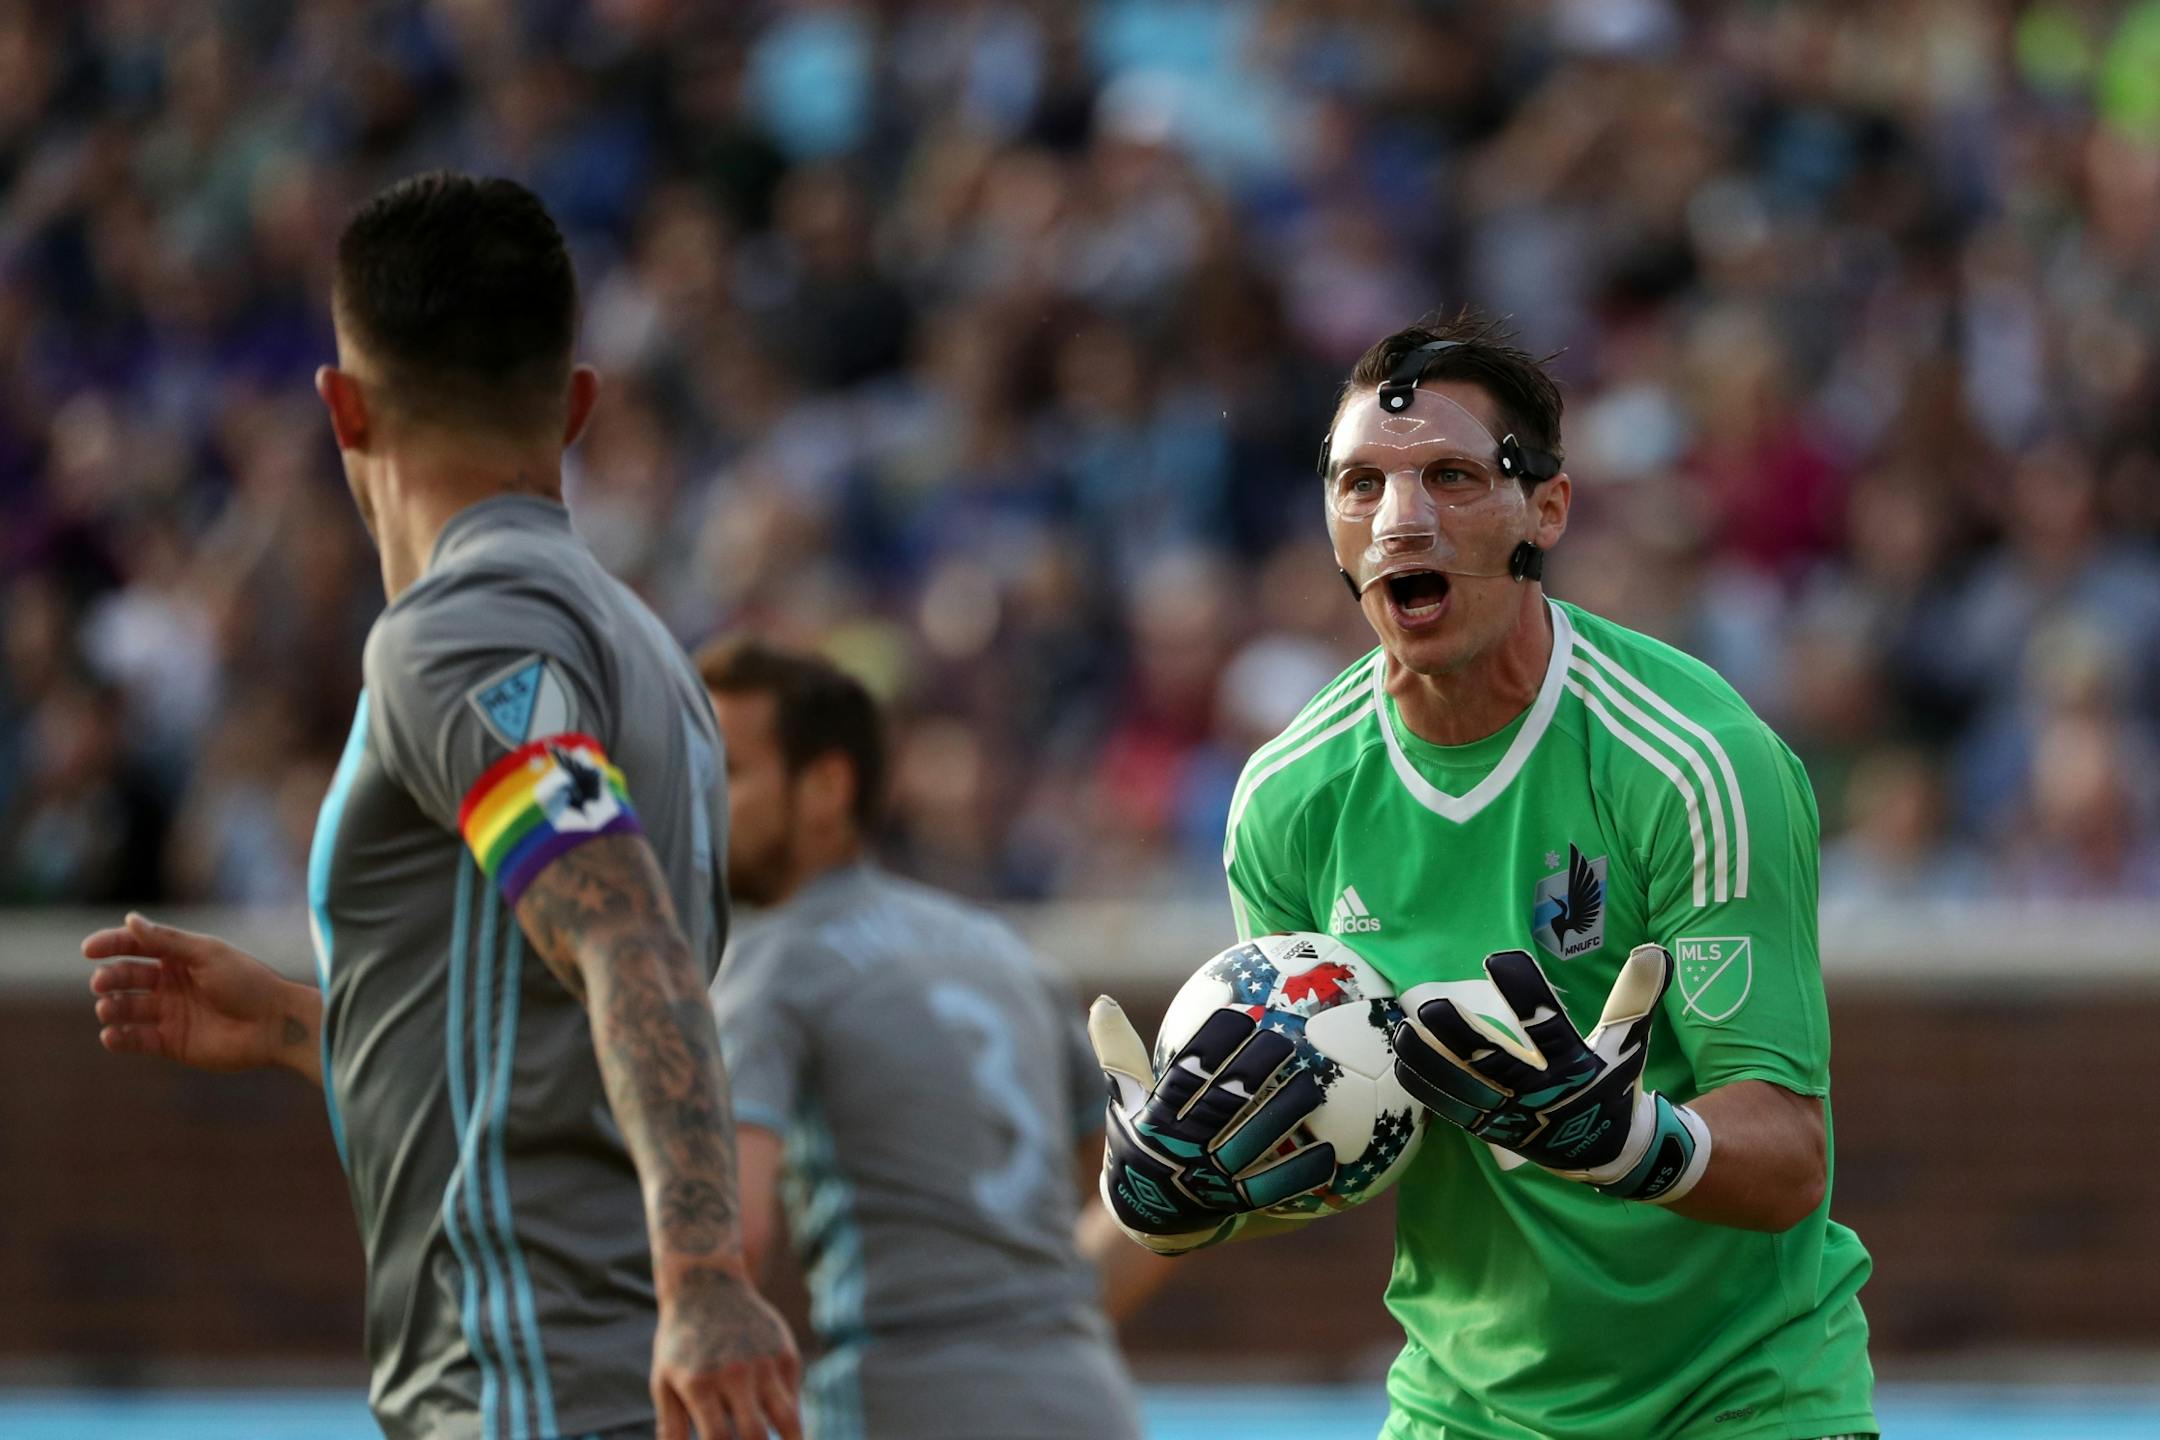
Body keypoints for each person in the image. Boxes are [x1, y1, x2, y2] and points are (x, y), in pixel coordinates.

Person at [82, 172, 799, 1440]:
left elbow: (619, 934)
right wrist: (312, 1030)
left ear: (341, 409)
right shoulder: (649, 655)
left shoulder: (458, 631)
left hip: (527, 1391)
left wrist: (704, 1277)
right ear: (576, 406)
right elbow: (566, 1014)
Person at [1089, 315, 1878, 1440]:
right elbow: (1328, 1145)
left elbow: (1790, 1157)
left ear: (1544, 512)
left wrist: (1626, 1139)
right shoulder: (1288, 799)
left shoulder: (1695, 762)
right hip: (1465, 1408)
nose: (1401, 518)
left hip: (1741, 1398)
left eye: (1452, 476)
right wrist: (1184, 1193)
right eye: (1361, 484)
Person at [698, 638, 1158, 1440]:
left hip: (901, 1394)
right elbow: (1157, 1208)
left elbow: (735, 1231)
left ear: (826, 787)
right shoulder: (1011, 956)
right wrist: (1042, 1320)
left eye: (726, 775)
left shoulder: (773, 965)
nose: (696, 804)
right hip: (1087, 1397)